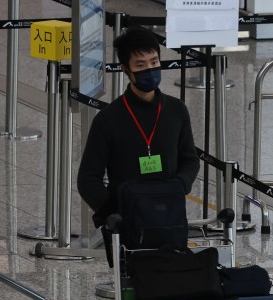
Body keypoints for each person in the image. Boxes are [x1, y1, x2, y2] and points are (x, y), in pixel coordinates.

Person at [77, 26, 199, 262]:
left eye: (154, 62)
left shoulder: (176, 110)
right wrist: (115, 211)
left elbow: (190, 159)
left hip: (170, 217)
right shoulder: (109, 119)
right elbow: (87, 179)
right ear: (126, 70)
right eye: (140, 65)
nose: (150, 70)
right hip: (127, 221)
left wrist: (177, 188)